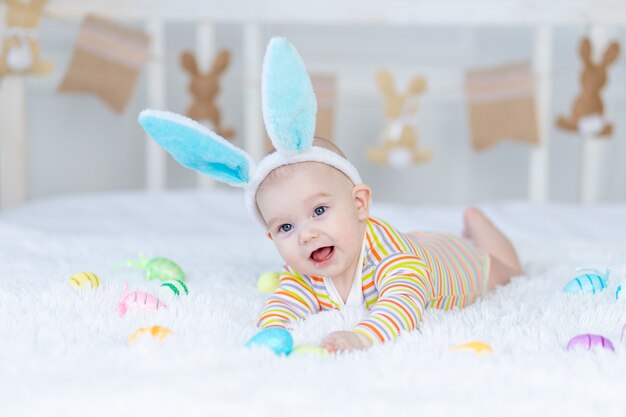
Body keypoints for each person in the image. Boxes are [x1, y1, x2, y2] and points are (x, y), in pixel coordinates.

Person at [255, 138, 522, 353]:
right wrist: (271, 329)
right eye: (285, 228)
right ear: (272, 238)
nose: (306, 235)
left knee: (511, 272)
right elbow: (287, 300)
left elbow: (403, 305)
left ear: (359, 204)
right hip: (417, 240)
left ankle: (477, 221)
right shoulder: (303, 266)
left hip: (457, 260)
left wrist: (362, 337)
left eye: (319, 210)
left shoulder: (394, 260)